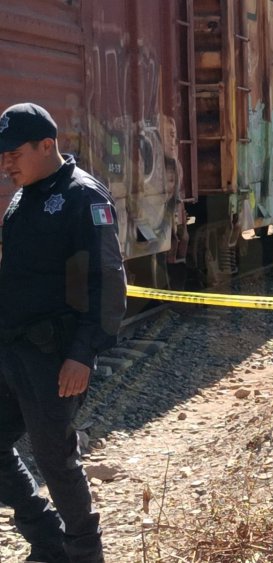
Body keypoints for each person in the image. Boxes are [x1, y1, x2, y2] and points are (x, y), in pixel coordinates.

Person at [0, 103, 127, 563]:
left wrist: (82, 353)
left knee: (56, 459)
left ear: (47, 145)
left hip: (54, 357)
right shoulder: (24, 196)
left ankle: (84, 552)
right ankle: (45, 534)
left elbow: (107, 282)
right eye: (2, 155)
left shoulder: (81, 197)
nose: (6, 163)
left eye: (14, 153)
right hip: (12, 351)